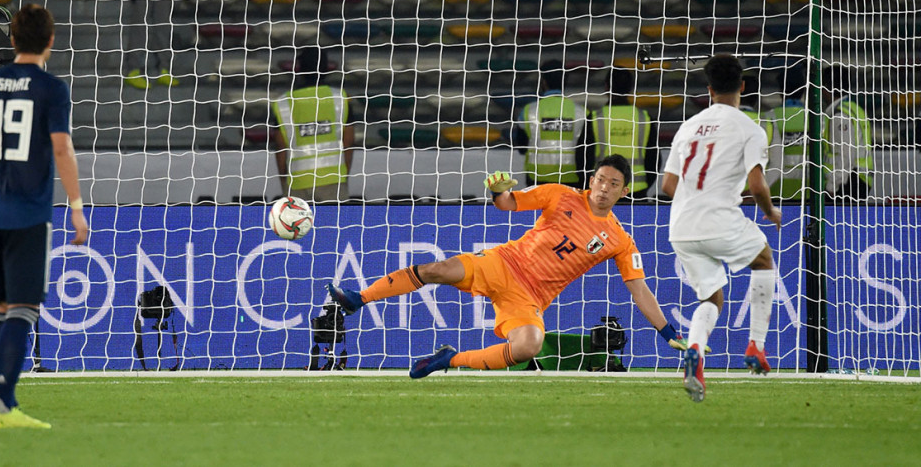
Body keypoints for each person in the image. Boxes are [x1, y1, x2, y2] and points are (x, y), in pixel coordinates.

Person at [327, 155, 691, 377]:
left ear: (624, 192)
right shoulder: (560, 194)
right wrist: (498, 189)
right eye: (599, 179)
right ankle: (359, 298)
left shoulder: (620, 240)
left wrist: (667, 332)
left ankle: (449, 360)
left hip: (531, 296)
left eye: (613, 184)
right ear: (590, 180)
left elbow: (639, 289)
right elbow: (508, 203)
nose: (603, 188)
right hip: (503, 262)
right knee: (439, 270)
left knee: (529, 346)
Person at [0, 3, 88, 429]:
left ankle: (1, 400)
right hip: (28, 214)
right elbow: (62, 148)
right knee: (25, 308)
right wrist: (76, 207)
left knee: (2, 308)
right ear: (50, 41)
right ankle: (3, 403)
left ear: (12, 41)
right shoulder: (52, 89)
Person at [660, 54, 781, 403]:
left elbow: (669, 184)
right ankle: (756, 346)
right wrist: (770, 211)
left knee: (711, 297)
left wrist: (700, 195)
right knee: (763, 260)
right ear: (742, 86)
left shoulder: (689, 126)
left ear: (709, 89)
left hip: (681, 225)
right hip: (717, 218)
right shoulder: (749, 128)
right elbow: (758, 186)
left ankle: (695, 349)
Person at [270, 47, 354, 202]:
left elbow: (281, 148)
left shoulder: (283, 103)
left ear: (299, 69)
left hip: (297, 182)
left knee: (299, 226)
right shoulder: (340, 98)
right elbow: (348, 143)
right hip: (332, 181)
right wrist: (343, 176)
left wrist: (284, 181)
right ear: (326, 68)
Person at [514, 62, 589, 187]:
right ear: (565, 83)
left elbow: (521, 147)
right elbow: (587, 151)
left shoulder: (529, 111)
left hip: (537, 178)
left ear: (543, 82)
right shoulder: (583, 112)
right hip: (571, 179)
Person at [588, 68, 657, 199]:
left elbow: (584, 158)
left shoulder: (595, 117)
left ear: (606, 87)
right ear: (630, 88)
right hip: (637, 192)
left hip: (602, 192)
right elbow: (653, 159)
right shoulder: (644, 117)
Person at [823, 65, 874, 202]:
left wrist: (832, 186)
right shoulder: (854, 108)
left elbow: (845, 154)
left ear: (827, 87)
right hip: (858, 179)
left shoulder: (840, 115)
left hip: (848, 182)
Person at [763, 65, 808, 201]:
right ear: (804, 90)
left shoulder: (768, 118)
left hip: (775, 193)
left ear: (781, 91)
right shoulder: (818, 119)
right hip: (810, 196)